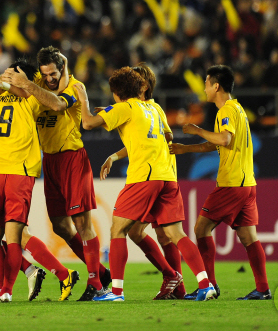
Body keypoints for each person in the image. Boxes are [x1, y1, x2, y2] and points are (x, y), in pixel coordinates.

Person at [74, 67, 216, 301]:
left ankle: (116, 293)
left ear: (117, 93)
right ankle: (204, 284)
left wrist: (84, 99)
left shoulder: (124, 108)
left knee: (118, 229)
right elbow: (167, 137)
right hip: (167, 176)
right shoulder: (155, 108)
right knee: (175, 233)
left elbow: (88, 123)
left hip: (144, 177)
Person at [0, 46, 110, 301]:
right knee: (60, 225)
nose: (49, 79)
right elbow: (17, 86)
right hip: (50, 161)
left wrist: (28, 84)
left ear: (62, 70)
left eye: (53, 74)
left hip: (72, 158)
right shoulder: (36, 83)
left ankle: (97, 285)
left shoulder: (73, 88)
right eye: (45, 74)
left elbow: (58, 105)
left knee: (82, 224)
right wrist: (3, 81)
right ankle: (101, 273)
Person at [0, 75, 76, 302]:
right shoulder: (28, 101)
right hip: (19, 174)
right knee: (11, 238)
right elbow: (53, 102)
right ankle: (5, 289)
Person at [169, 65, 271, 300]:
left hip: (231, 183)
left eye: (206, 83)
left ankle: (210, 285)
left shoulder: (225, 111)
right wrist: (186, 148)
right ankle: (263, 289)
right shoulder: (238, 109)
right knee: (248, 237)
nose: (204, 88)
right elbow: (216, 143)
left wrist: (196, 130)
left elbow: (223, 139)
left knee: (200, 229)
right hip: (247, 185)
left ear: (216, 86)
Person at [100, 64, 186, 300]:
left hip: (151, 175)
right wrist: (115, 155)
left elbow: (161, 139)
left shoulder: (144, 107)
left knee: (161, 234)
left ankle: (183, 282)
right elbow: (148, 140)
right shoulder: (151, 110)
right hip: (162, 176)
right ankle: (175, 282)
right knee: (140, 232)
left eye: (137, 80)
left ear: (144, 85)